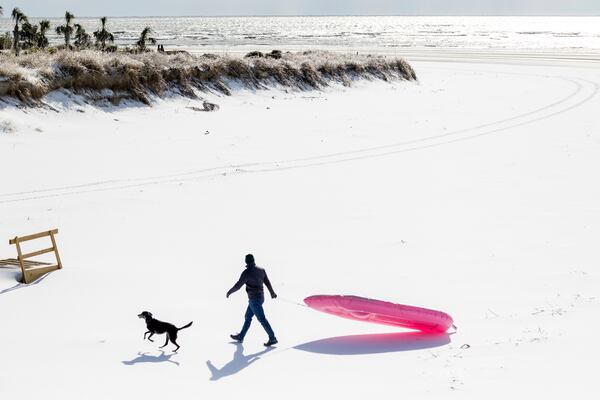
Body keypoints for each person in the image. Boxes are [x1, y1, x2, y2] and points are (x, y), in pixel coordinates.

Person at [227, 254, 278, 346]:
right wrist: (272, 292)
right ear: (253, 260)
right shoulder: (261, 270)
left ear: (246, 262)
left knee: (262, 319)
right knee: (248, 317)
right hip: (260, 298)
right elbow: (267, 282)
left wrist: (229, 292)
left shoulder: (246, 272)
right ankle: (241, 336)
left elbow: (238, 286)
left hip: (254, 300)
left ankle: (272, 338)